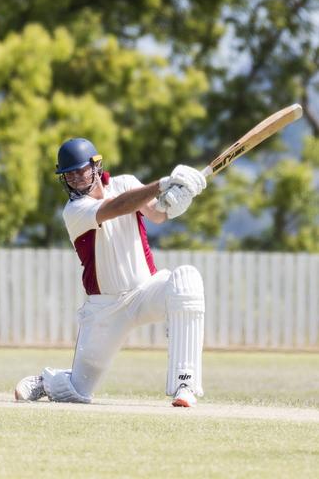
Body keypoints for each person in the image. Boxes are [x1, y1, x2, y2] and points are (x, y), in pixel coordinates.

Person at [15, 137, 207, 407]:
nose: (76, 178)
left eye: (81, 170)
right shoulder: (74, 210)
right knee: (77, 392)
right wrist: (162, 185)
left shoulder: (126, 183)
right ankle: (48, 382)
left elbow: (157, 214)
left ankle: (184, 384)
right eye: (69, 174)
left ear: (96, 165)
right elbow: (116, 207)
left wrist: (176, 200)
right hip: (106, 308)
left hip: (146, 291)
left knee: (187, 279)